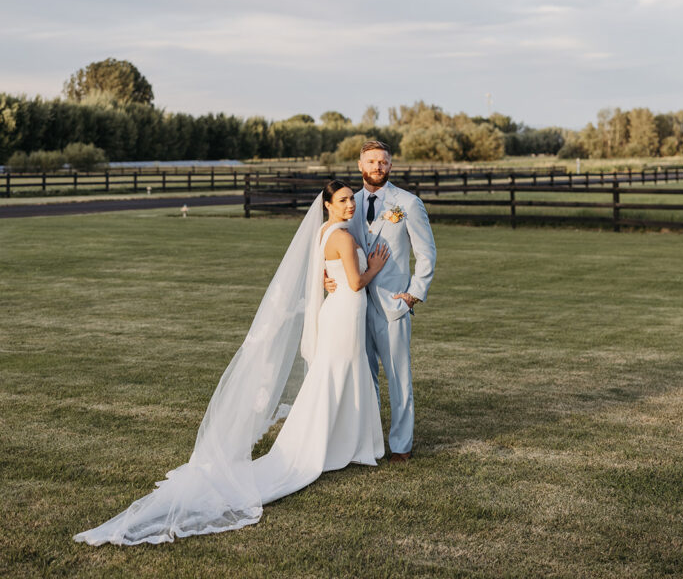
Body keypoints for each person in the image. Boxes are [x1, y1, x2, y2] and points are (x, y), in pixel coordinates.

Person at [73, 180, 390, 546]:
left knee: (336, 377)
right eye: (344, 200)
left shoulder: (323, 232)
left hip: (339, 314)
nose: (351, 204)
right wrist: (376, 266)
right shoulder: (344, 237)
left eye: (352, 199)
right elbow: (353, 282)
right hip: (346, 312)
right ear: (329, 205)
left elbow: (329, 275)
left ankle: (344, 442)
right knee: (339, 376)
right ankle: (336, 445)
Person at [326, 140, 436, 462]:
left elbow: (426, 254)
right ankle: (371, 443)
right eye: (371, 162)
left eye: (383, 162)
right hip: (355, 305)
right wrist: (325, 275)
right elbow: (334, 245)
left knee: (399, 379)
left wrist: (413, 294)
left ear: (390, 166)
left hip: (393, 306)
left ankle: (400, 446)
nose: (377, 167)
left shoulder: (408, 203)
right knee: (365, 377)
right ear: (361, 166)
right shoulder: (350, 203)